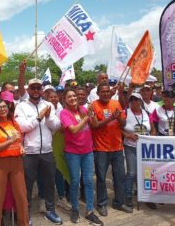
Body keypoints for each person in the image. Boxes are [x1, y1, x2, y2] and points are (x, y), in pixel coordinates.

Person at [15, 78, 63, 224]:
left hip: (47, 151)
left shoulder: (48, 105)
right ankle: (25, 213)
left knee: (49, 183)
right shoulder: (21, 106)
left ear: (42, 90)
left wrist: (48, 117)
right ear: (28, 90)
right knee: (27, 185)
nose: (36, 91)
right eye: (33, 88)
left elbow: (56, 125)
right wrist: (38, 117)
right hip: (29, 153)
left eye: (38, 88)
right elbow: (22, 127)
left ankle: (50, 210)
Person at [60, 88, 103, 225]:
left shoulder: (84, 109)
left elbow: (95, 125)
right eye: (69, 97)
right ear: (65, 100)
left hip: (87, 151)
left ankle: (90, 211)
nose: (73, 98)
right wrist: (86, 118)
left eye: (74, 96)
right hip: (73, 153)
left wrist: (92, 114)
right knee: (75, 182)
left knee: (89, 181)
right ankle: (75, 208)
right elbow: (73, 130)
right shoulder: (64, 113)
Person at [89, 83, 132, 216]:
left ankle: (119, 202)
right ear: (98, 93)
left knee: (119, 177)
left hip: (117, 147)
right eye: (103, 91)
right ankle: (102, 204)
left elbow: (123, 123)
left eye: (108, 91)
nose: (106, 93)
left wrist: (118, 117)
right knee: (101, 178)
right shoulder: (92, 106)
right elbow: (95, 126)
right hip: (101, 149)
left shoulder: (116, 104)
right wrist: (111, 118)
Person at [0, 98, 29, 226]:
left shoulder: (13, 122)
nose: (2, 109)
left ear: (8, 108)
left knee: (22, 197)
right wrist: (10, 141)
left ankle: (24, 223)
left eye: (4, 106)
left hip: (16, 162)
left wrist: (20, 148)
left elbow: (18, 140)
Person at [122, 93, 156, 210]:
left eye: (137, 100)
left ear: (141, 101)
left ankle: (147, 197)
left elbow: (153, 129)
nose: (134, 102)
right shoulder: (126, 112)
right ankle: (128, 196)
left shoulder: (147, 113)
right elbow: (118, 128)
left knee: (146, 172)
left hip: (145, 148)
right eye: (132, 100)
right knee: (132, 173)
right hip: (130, 147)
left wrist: (151, 138)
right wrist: (127, 135)